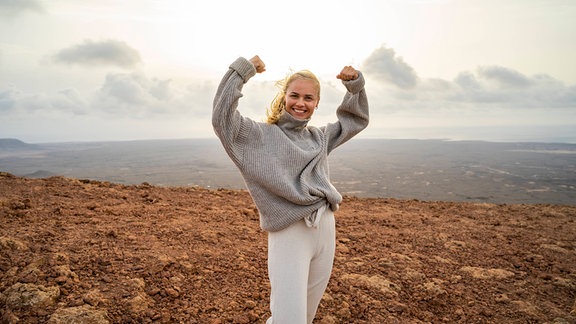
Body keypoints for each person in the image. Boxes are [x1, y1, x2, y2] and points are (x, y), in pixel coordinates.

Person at [212, 55, 369, 323]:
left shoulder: (318, 138)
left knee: (304, 318)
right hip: (289, 234)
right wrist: (241, 72)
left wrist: (356, 87)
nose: (301, 103)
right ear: (284, 97)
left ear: (317, 104)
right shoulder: (257, 136)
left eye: (308, 98)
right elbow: (222, 119)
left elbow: (354, 121)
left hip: (325, 227)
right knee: (288, 319)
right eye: (295, 95)